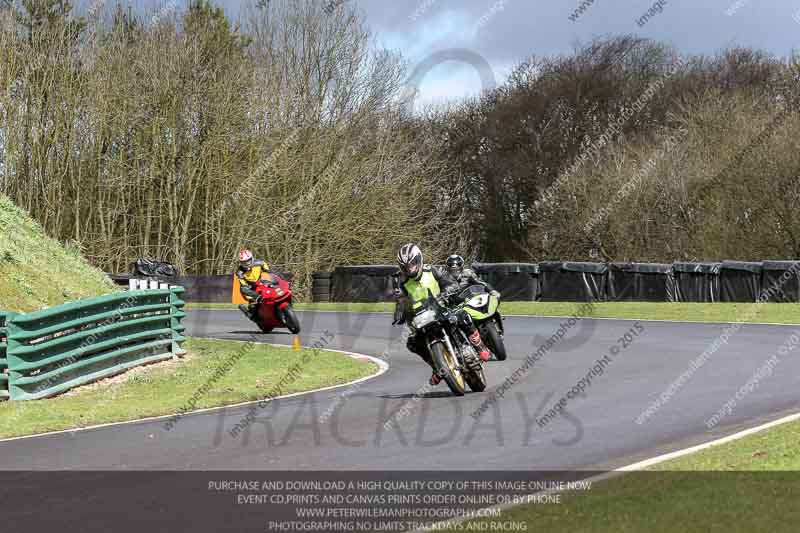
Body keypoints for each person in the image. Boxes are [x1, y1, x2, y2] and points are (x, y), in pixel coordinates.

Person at [392, 243, 491, 386]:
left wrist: (448, 290)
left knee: (462, 314)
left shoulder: (431, 270)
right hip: (421, 319)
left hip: (442, 308)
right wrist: (399, 311)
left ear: (419, 260)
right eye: (406, 267)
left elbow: (448, 282)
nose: (410, 268)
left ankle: (479, 345)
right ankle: (437, 366)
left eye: (412, 264)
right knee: (412, 343)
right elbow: (401, 300)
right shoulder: (402, 284)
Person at [236, 248, 271, 321]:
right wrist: (254, 294)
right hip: (250, 289)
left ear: (252, 258)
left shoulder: (260, 263)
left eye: (248, 260)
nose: (247, 263)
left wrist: (270, 274)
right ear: (241, 262)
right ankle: (249, 313)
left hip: (261, 283)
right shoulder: (240, 272)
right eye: (244, 262)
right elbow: (243, 285)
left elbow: (269, 271)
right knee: (253, 307)